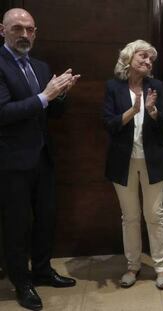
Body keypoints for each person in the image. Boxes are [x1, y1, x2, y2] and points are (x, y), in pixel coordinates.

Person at [0, 8, 80, 311]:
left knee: (46, 218)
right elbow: (3, 114)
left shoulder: (41, 66)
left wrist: (60, 95)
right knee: (17, 225)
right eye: (17, 28)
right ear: (2, 30)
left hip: (42, 157)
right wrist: (46, 96)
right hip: (11, 162)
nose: (24, 35)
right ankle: (22, 282)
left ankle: (43, 270)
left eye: (29, 29)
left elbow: (52, 114)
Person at [103, 39, 163, 290]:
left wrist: (152, 111)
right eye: (143, 56)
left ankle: (161, 267)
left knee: (154, 215)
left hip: (154, 160)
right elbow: (109, 124)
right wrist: (133, 110)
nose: (148, 61)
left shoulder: (156, 86)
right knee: (130, 216)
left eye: (151, 59)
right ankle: (133, 266)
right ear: (129, 57)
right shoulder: (113, 87)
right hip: (123, 161)